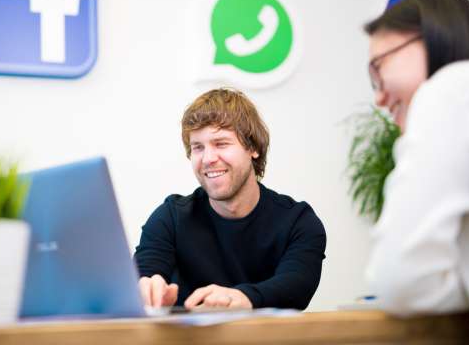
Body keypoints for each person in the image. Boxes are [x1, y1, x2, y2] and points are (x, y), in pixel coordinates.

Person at [364, 0, 469, 336]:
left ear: (431, 39)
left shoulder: (451, 90)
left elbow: (402, 280)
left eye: (378, 68)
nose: (379, 98)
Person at [134, 88, 326, 310]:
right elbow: (145, 272)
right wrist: (148, 288)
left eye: (221, 144)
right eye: (198, 147)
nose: (208, 159)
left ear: (252, 147)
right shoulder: (170, 217)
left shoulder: (298, 222)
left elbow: (296, 286)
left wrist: (243, 298)